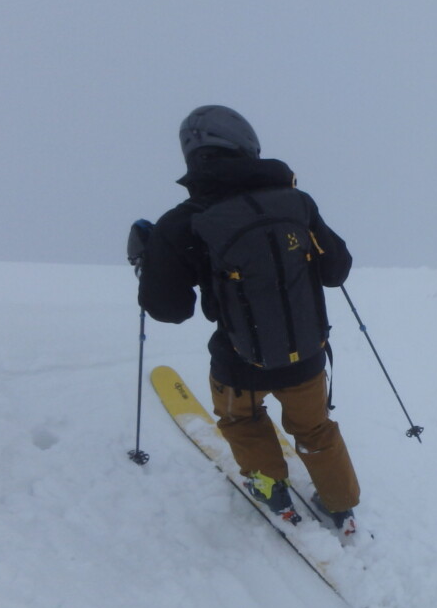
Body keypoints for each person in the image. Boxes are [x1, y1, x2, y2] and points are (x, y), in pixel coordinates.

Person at [133, 105, 360, 535]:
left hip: (238, 363)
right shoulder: (297, 203)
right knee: (315, 428)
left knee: (242, 421)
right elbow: (336, 271)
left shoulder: (182, 223)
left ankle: (271, 488)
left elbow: (168, 309)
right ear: (247, 147)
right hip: (307, 355)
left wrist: (148, 259)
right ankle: (341, 504)